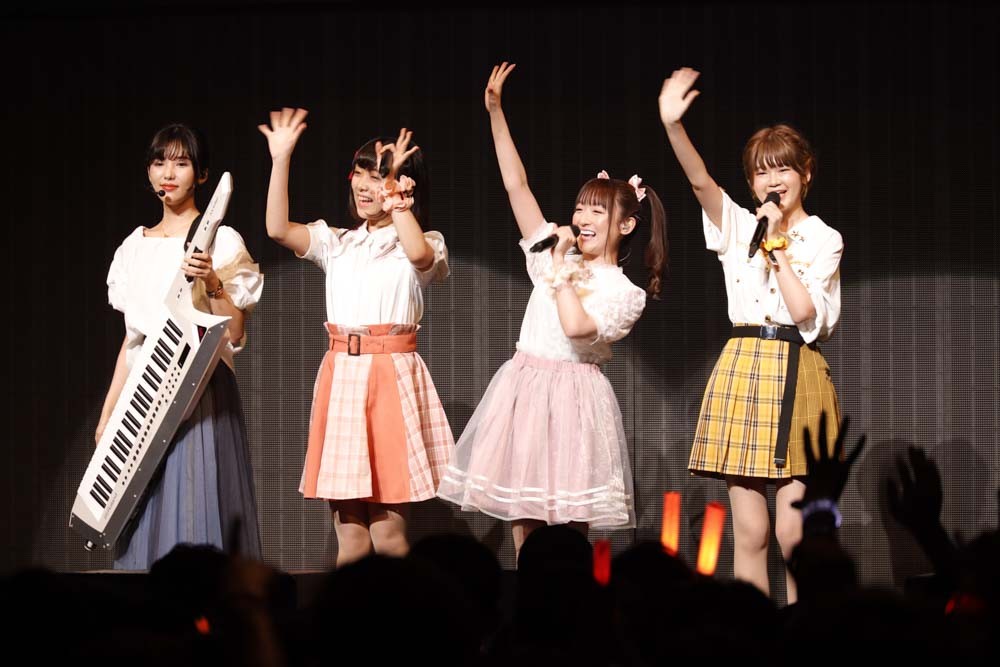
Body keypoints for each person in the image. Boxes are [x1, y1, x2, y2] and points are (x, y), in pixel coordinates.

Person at [437, 63, 668, 559]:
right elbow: (516, 186)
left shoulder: (624, 291)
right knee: (524, 518)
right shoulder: (552, 253)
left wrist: (560, 265)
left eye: (597, 211)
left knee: (567, 528)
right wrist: (496, 113)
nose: (582, 217)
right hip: (524, 387)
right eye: (580, 207)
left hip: (574, 400)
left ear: (626, 225)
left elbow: (577, 327)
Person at [659, 67, 843, 602]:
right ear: (751, 183)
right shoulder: (739, 224)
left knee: (792, 531)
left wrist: (777, 245)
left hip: (796, 368)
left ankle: (804, 630)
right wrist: (672, 125)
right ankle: (753, 631)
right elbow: (700, 182)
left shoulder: (824, 238)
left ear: (805, 173)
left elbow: (806, 313)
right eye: (762, 172)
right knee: (751, 530)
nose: (772, 180)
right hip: (743, 364)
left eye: (783, 168)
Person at [258, 108, 453, 566]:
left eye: (379, 175)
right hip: (343, 379)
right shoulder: (338, 242)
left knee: (389, 536)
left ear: (405, 185)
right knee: (351, 538)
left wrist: (399, 202)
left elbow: (421, 257)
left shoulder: (422, 241)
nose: (366, 186)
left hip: (391, 381)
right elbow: (277, 229)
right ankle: (350, 615)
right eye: (360, 173)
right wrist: (281, 159)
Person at [100, 123, 263, 569]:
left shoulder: (220, 240)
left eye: (181, 163)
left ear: (202, 174)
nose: (168, 173)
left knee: (194, 511)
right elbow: (132, 340)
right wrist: (108, 414)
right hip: (142, 395)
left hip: (199, 391)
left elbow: (235, 333)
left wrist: (212, 280)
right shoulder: (132, 247)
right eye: (159, 162)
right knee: (141, 517)